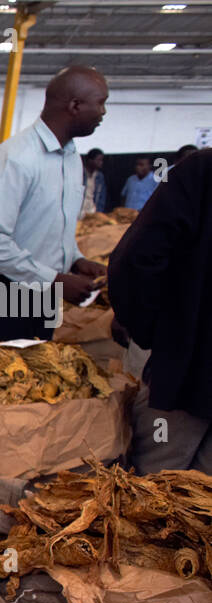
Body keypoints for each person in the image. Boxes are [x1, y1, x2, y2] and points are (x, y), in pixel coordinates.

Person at [0, 65, 109, 340]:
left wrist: (75, 260)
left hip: (40, 290)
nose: (104, 113)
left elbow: (53, 225)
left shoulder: (71, 159)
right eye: (101, 103)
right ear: (75, 105)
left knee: (33, 370)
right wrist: (54, 280)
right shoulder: (17, 158)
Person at [109, 148, 212, 473]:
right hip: (191, 368)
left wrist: (150, 329)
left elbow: (137, 260)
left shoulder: (202, 170)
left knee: (151, 492)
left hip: (189, 371)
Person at [81, 147, 107, 216]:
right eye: (98, 160)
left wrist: (99, 212)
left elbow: (102, 196)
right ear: (90, 160)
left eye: (102, 160)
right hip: (80, 210)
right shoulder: (80, 174)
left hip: (92, 210)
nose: (101, 163)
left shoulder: (99, 176)